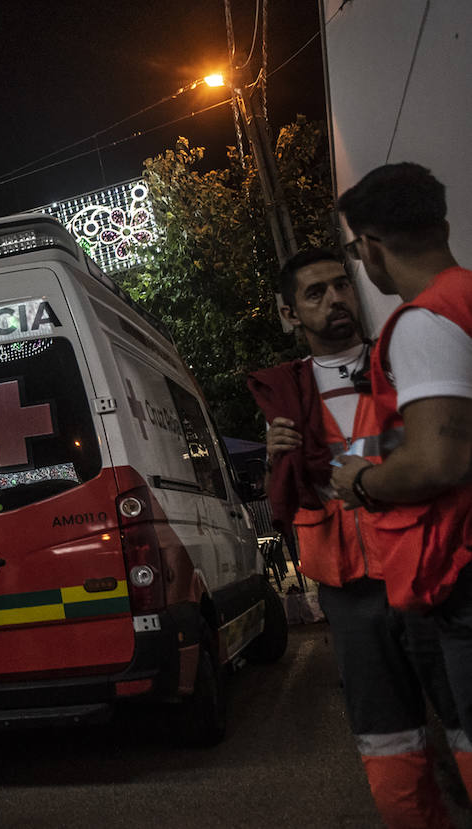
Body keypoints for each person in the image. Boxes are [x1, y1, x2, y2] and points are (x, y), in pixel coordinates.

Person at [247, 248, 463, 827]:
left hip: (421, 565)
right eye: (315, 293)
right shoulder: (284, 399)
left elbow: (436, 449)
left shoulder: (403, 362)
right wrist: (277, 462)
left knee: (464, 718)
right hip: (348, 589)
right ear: (288, 312)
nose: (335, 299)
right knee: (387, 738)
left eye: (341, 285)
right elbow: (288, 497)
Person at [330, 163, 472, 798]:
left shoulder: (422, 321)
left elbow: (438, 461)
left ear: (370, 248)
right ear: (441, 225)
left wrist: (362, 480)